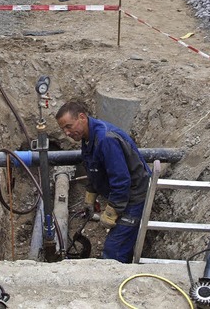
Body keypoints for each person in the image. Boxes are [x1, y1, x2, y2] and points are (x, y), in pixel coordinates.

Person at [55, 100, 150, 262]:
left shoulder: (106, 139)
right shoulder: (87, 137)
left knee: (114, 252)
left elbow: (121, 180)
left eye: (68, 126)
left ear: (82, 117)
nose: (66, 133)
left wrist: (112, 211)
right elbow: (94, 167)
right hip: (123, 195)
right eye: (63, 129)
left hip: (133, 198)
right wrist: (90, 198)